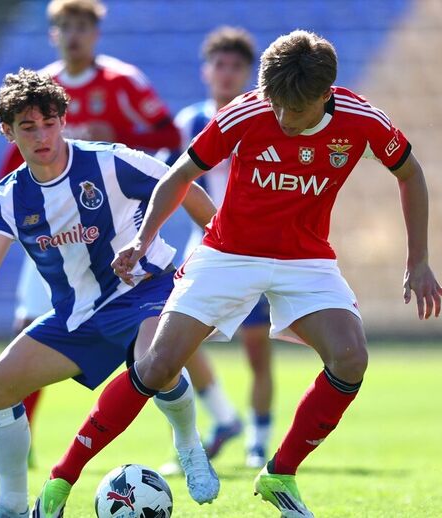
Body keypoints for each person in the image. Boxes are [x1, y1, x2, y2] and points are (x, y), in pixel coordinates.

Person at [35, 30, 442, 517]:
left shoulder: (362, 120)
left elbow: (410, 172)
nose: (282, 118)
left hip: (306, 261)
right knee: (157, 366)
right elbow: (180, 175)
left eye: (294, 110)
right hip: (228, 254)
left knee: (350, 359)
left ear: (325, 95)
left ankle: (279, 474)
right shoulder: (247, 111)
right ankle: (60, 482)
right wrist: (142, 239)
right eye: (276, 105)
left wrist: (418, 260)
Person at [0, 69, 219, 518]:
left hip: (143, 290)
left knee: (155, 362)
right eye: (27, 127)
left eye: (48, 123)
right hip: (78, 316)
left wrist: (218, 246)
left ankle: (188, 446)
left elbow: (180, 182)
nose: (41, 136)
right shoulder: (9, 196)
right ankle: (10, 505)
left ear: (63, 121)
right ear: (8, 132)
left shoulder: (110, 162)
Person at [0, 0, 180, 472]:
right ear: (53, 33)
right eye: (66, 27)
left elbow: (168, 137)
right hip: (49, 232)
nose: (74, 35)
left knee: (158, 343)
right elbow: (13, 165)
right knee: (28, 327)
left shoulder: (123, 81)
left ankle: (191, 436)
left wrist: (118, 142)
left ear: (96, 33)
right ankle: (19, 441)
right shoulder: (37, 87)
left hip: (109, 225)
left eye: (83, 27)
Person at [158, 26, 275, 475]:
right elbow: (168, 177)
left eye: (235, 66)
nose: (226, 73)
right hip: (205, 247)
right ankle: (225, 418)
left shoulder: (262, 118)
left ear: (248, 73)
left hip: (256, 248)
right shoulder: (189, 122)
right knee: (173, 336)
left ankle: (258, 443)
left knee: (256, 350)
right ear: (206, 70)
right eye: (219, 64)